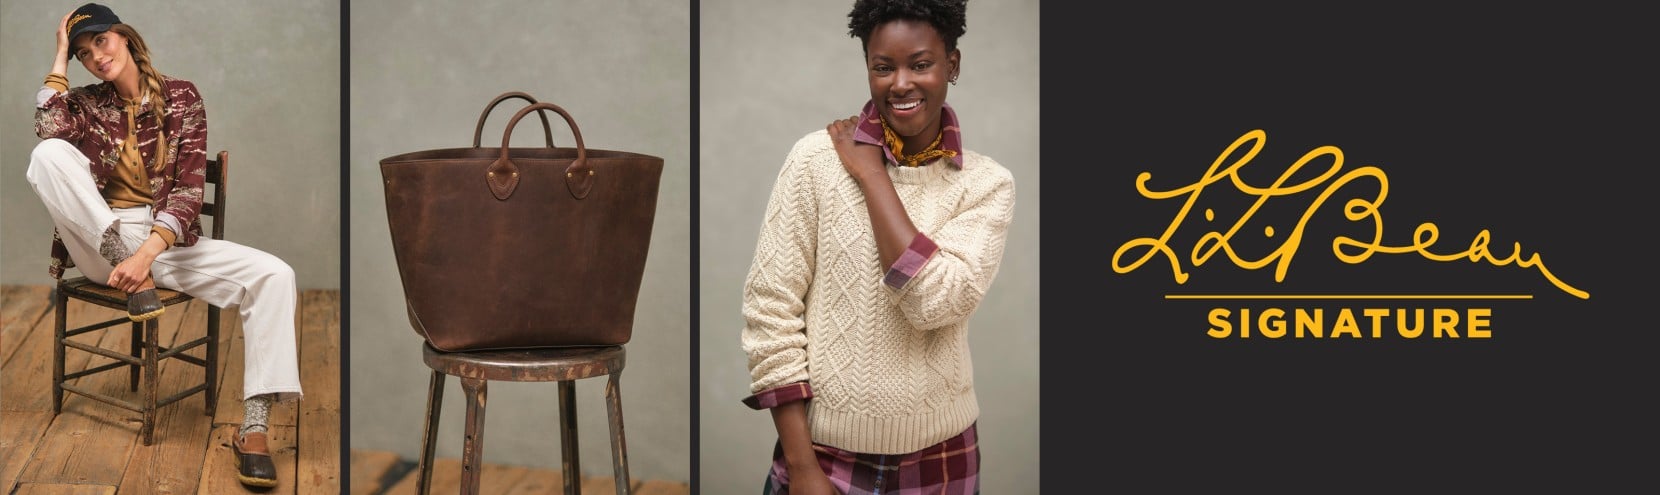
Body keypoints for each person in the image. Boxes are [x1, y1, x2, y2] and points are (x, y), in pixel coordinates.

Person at [739, 1, 1013, 493]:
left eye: (921, 64)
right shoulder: (815, 161)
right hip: (821, 456)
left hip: (942, 457)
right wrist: (802, 466)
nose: (900, 83)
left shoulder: (986, 185)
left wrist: (871, 174)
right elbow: (770, 311)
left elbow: (933, 304)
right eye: (883, 67)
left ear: (952, 64)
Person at [26, 3, 301, 488]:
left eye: (101, 42)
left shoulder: (182, 97)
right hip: (100, 242)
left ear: (124, 37)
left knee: (277, 275)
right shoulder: (86, 103)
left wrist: (146, 257)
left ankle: (254, 430)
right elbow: (48, 129)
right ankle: (133, 275)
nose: (96, 57)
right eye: (84, 53)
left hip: (160, 242)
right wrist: (59, 55)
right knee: (47, 153)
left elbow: (189, 191)